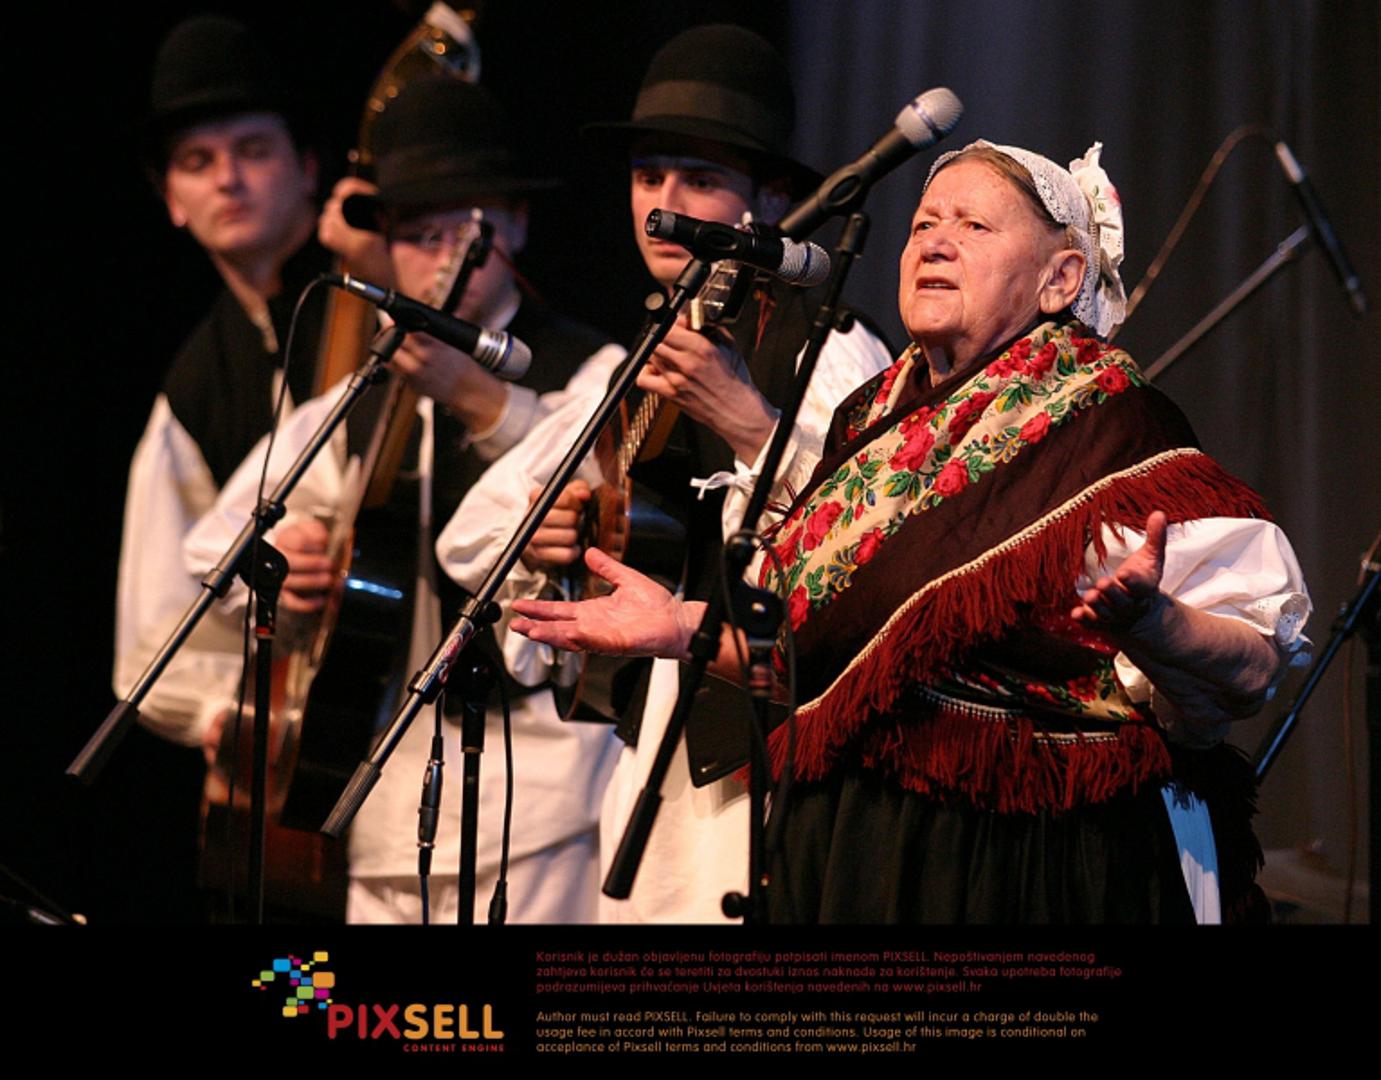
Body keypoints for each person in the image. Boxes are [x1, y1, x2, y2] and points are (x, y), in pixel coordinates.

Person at [510, 139, 1311, 924]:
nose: (935, 242)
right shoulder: (870, 420)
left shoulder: (1112, 431)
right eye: (924, 222)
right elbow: (818, 663)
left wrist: (1153, 621)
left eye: (973, 226)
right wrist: (680, 629)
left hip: (1029, 855)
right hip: (857, 847)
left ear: (1060, 278)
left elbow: (1250, 669)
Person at [436, 24, 893, 923]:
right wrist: (557, 535)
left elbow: (877, 541)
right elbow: (474, 537)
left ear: (769, 199)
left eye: (699, 180)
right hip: (653, 748)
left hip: (766, 752)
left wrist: (747, 420)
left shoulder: (829, 346)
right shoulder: (639, 359)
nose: (663, 206)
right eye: (648, 178)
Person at [185, 77, 626, 923]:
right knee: (344, 998)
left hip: (541, 800)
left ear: (515, 225)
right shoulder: (366, 393)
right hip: (378, 796)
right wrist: (281, 568)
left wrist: (485, 404)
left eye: (464, 231)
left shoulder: (591, 368)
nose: (442, 256)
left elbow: (598, 490)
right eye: (418, 235)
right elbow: (212, 547)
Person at [115, 15, 326, 750]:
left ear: (308, 167)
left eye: (253, 151)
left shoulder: (375, 308)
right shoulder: (197, 381)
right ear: (172, 199)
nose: (227, 179)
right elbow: (152, 625)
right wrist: (220, 716)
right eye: (197, 162)